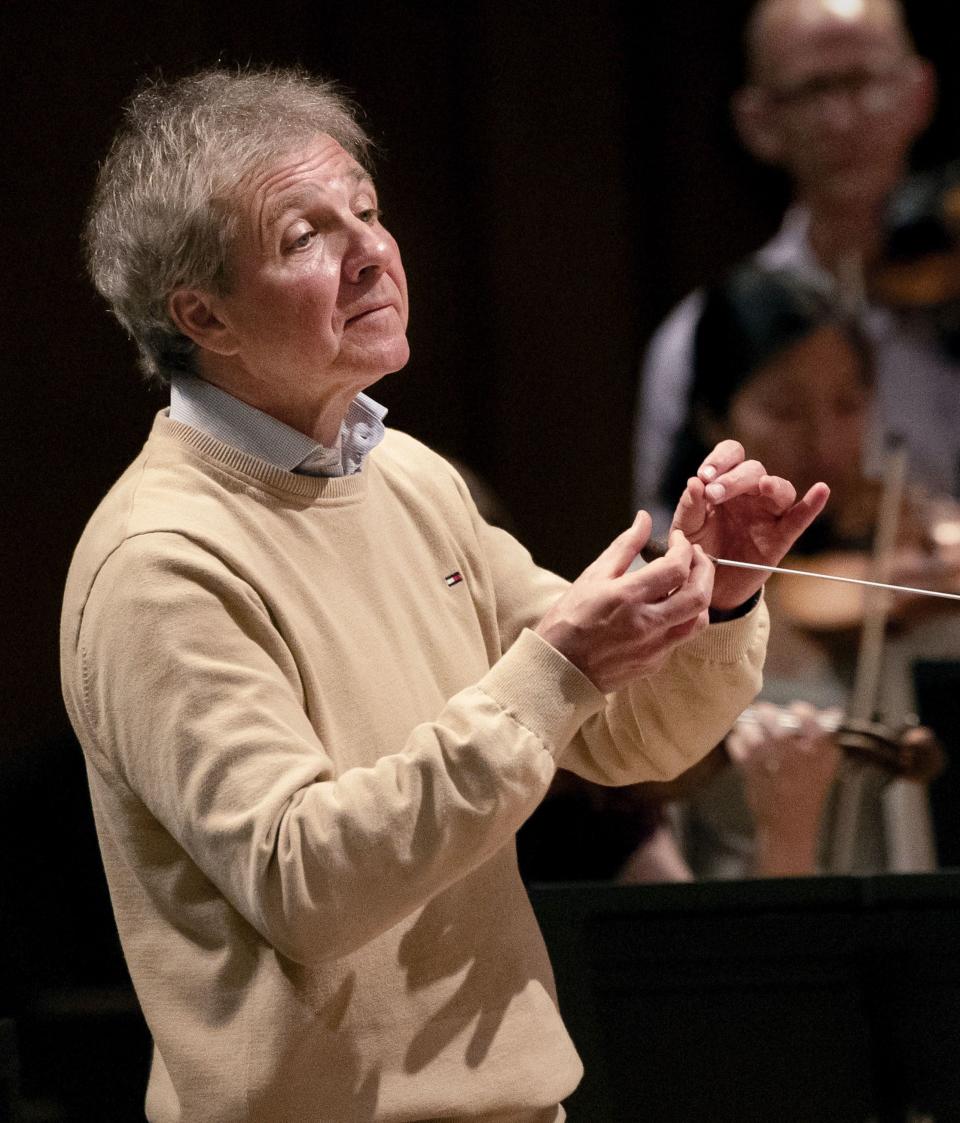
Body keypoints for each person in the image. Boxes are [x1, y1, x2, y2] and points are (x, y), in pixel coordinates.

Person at [60, 67, 827, 1122]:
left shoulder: (407, 477)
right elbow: (304, 883)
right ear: (204, 315)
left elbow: (630, 738)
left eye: (367, 212)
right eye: (305, 237)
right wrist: (554, 670)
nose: (372, 250)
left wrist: (718, 601)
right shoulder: (161, 560)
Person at [660, 264, 947, 879]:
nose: (825, 441)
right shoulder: (672, 579)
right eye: (786, 409)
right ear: (715, 419)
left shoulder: (899, 535)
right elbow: (794, 597)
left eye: (848, 406)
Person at [633, 0, 959, 537]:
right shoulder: (704, 334)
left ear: (921, 92)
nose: (843, 118)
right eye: (812, 90)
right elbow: (667, 548)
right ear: (757, 121)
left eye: (865, 80)